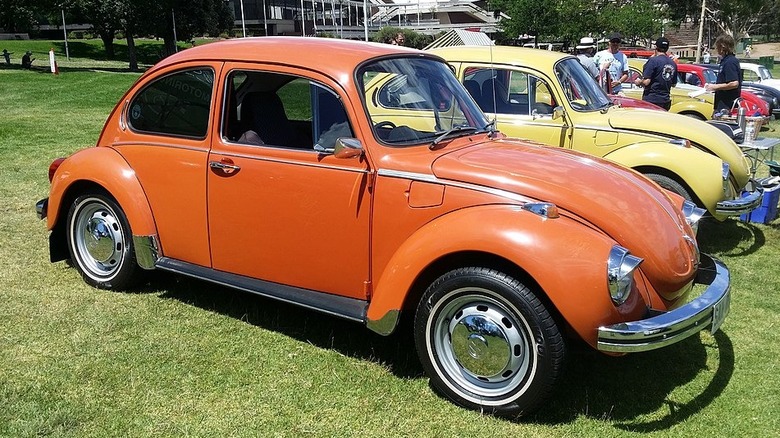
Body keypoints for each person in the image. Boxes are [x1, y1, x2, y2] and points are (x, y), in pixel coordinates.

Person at [633, 37, 677, 110]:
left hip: (652, 100)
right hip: (665, 100)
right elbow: (673, 84)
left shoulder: (653, 61)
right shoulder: (672, 63)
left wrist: (639, 82)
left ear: (656, 47)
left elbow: (646, 82)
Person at [705, 34, 741, 114]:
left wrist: (715, 87)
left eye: (717, 46)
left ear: (723, 47)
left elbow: (734, 83)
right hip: (721, 104)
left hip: (727, 107)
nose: (716, 48)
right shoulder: (725, 61)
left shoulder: (730, 62)